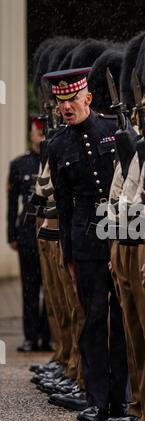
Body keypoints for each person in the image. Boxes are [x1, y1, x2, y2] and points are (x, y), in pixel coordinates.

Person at [46, 66, 130, 421]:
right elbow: (63, 206)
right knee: (94, 318)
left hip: (117, 229)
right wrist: (67, 253)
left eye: (72, 100)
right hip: (83, 236)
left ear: (88, 98)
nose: (66, 107)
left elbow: (129, 187)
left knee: (122, 317)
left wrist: (125, 240)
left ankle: (122, 399)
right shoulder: (57, 144)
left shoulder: (115, 130)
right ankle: (97, 399)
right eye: (60, 101)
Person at [7, 116, 51, 352]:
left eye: (44, 132)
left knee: (51, 286)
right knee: (30, 286)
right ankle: (30, 336)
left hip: (49, 230)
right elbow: (12, 203)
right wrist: (11, 235)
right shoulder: (19, 164)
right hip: (27, 231)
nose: (41, 135)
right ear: (30, 135)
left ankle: (48, 335)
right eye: (37, 132)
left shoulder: (52, 157)